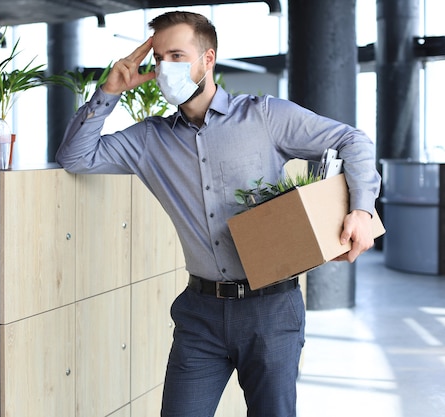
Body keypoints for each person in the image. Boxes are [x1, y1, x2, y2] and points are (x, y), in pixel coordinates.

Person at [57, 10, 381, 417]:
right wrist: (110, 91)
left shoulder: (263, 116)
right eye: (157, 59)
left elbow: (353, 140)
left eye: (177, 55)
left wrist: (363, 210)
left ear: (208, 59)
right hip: (200, 313)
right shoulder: (149, 140)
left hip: (272, 310)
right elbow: (75, 157)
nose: (164, 68)